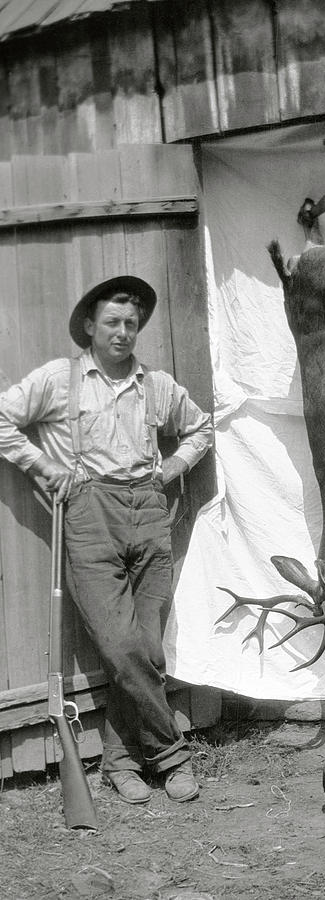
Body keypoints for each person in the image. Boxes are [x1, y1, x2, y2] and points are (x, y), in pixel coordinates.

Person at [0, 276, 214, 804]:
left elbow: (202, 429)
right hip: (89, 517)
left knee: (147, 652)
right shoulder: (60, 379)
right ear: (90, 328)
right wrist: (45, 468)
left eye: (131, 324)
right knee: (121, 648)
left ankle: (120, 763)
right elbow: (3, 420)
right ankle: (172, 755)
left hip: (149, 511)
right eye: (112, 323)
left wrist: (172, 467)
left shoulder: (156, 385)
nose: (123, 332)